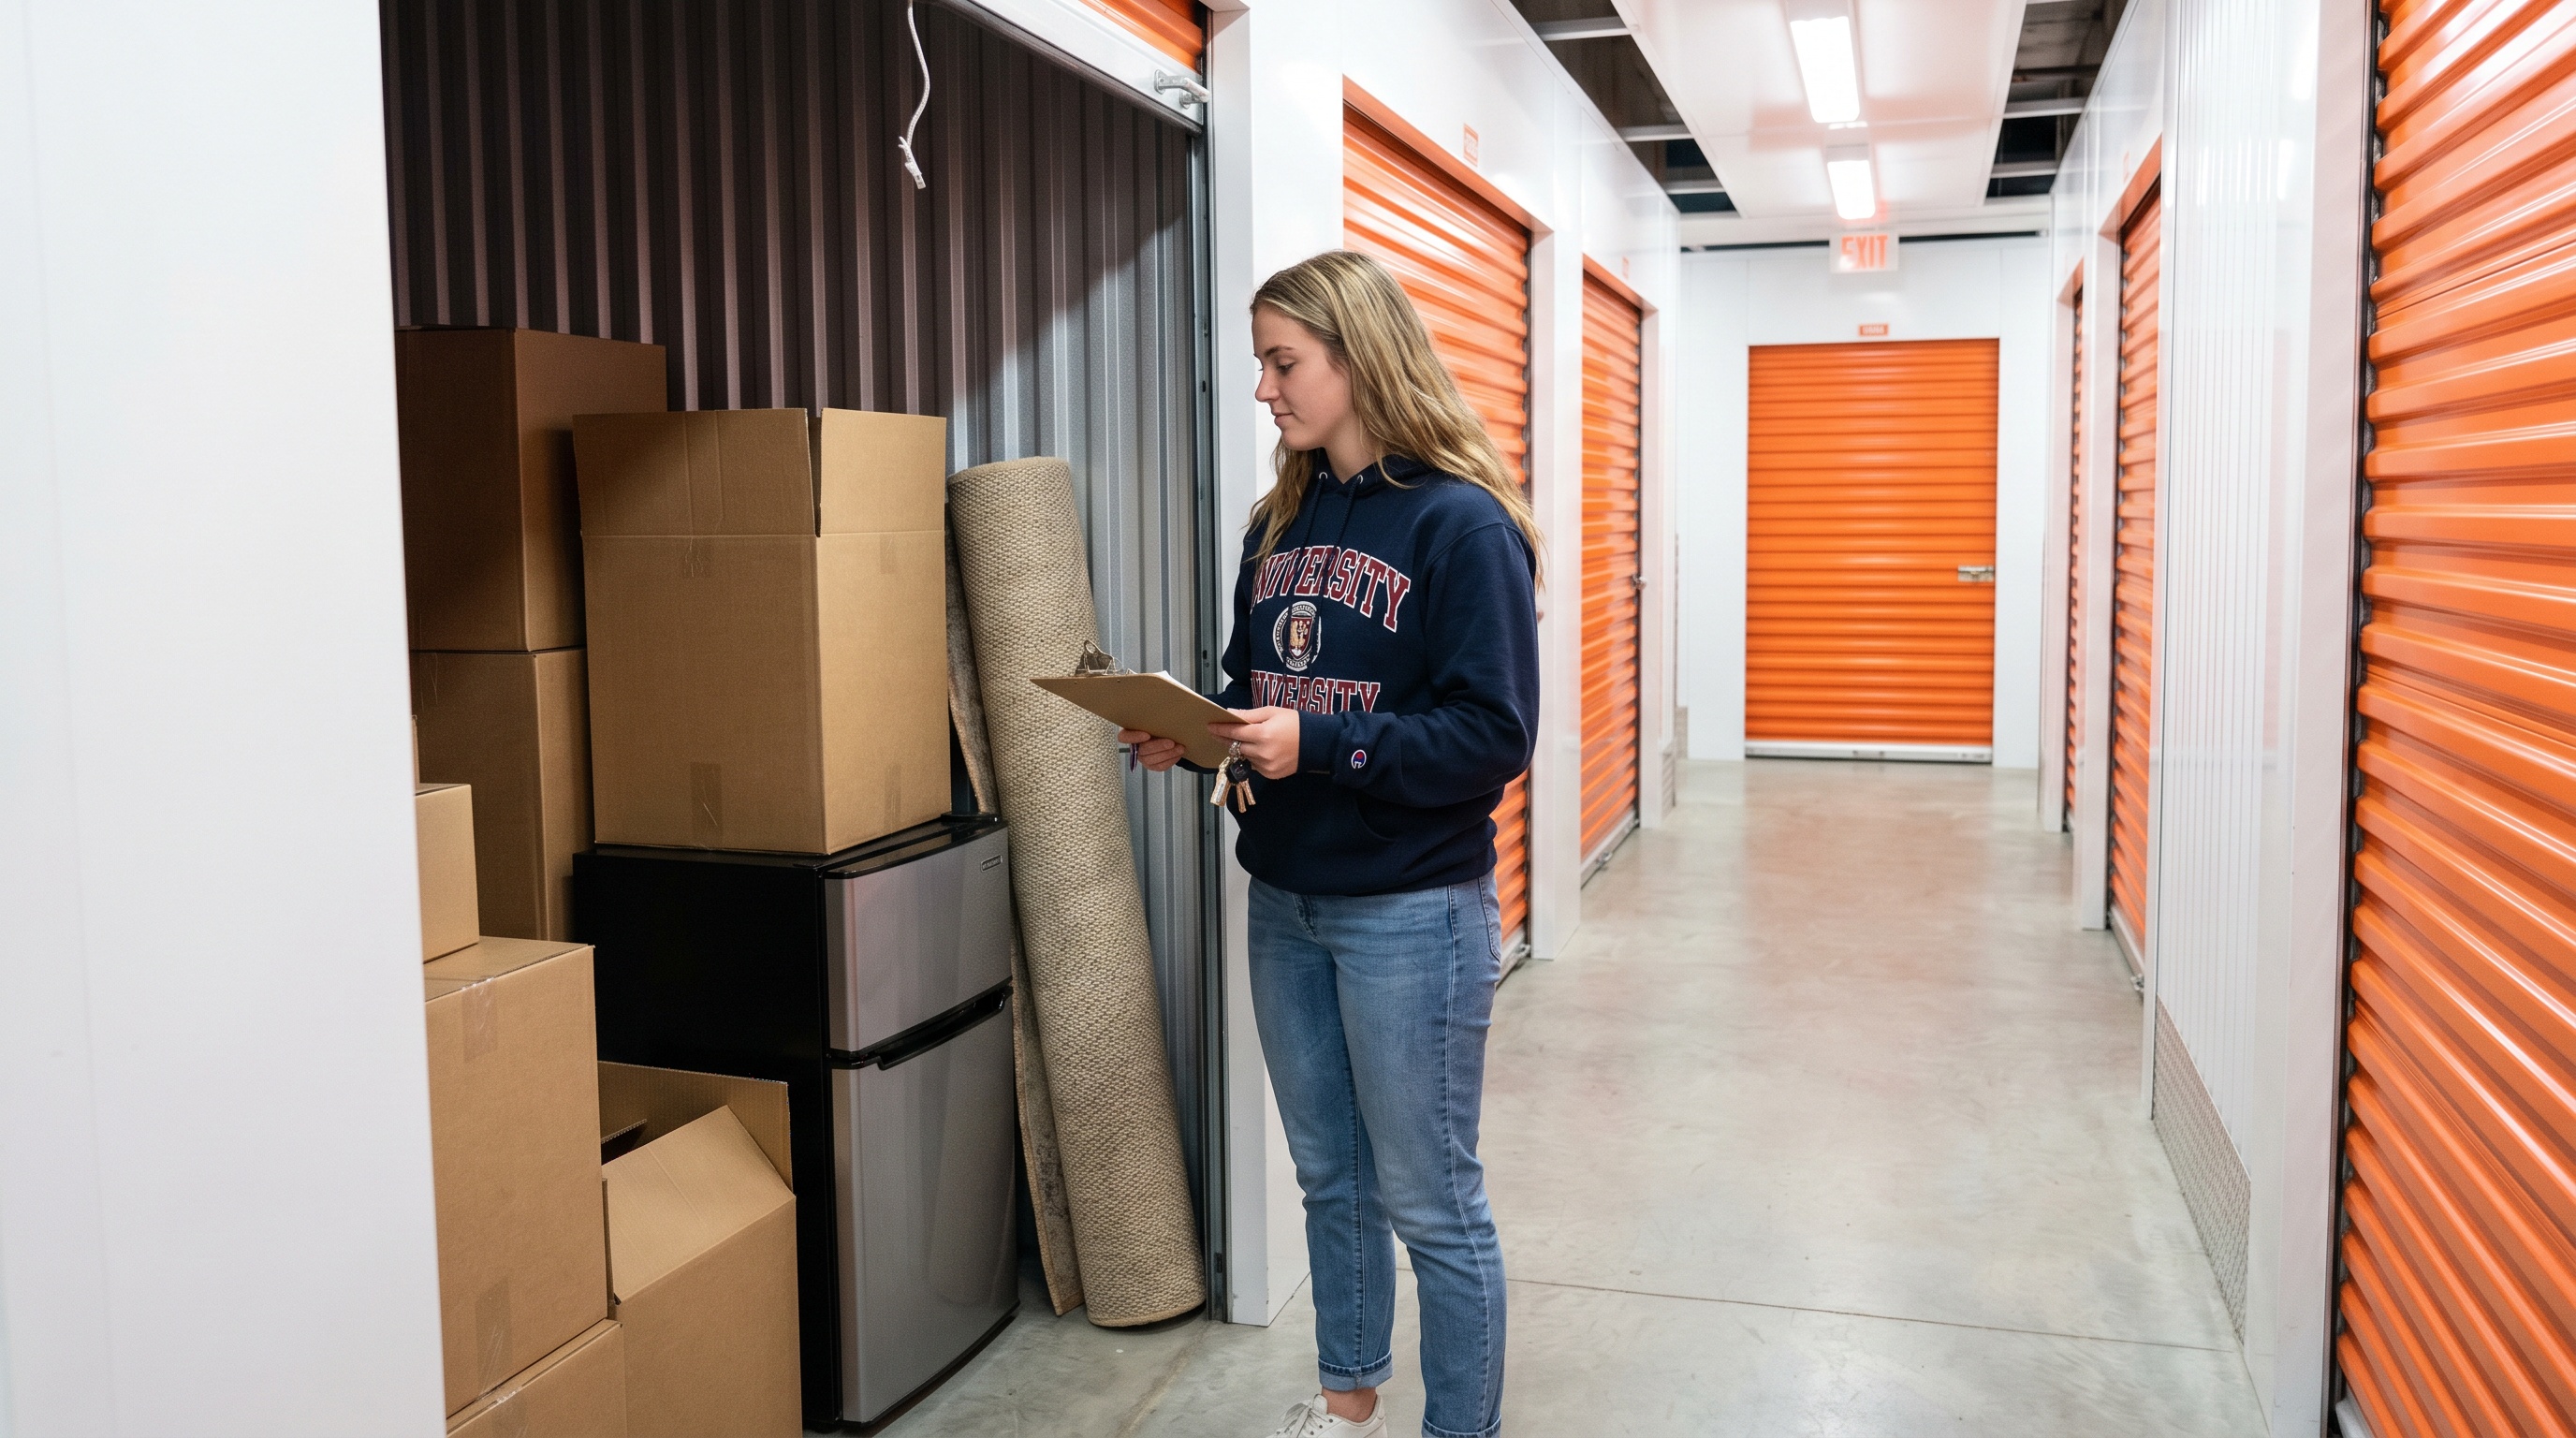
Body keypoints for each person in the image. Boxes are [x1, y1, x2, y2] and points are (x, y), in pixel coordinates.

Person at [1120, 249, 1541, 1438]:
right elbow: (1258, 690)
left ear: (1359, 356)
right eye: (1262, 363)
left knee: (1430, 1199)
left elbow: (1490, 735)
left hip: (1411, 911)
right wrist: (1200, 736)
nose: (1264, 388)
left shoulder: (1463, 526)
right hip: (1287, 902)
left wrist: (1325, 745)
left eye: (1283, 361)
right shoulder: (1280, 519)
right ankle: (1348, 1403)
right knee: (1330, 1176)